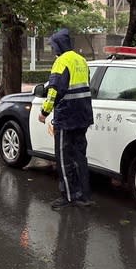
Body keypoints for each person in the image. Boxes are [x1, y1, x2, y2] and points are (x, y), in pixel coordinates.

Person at [38, 28, 94, 210]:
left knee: (63, 157)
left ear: (59, 45)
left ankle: (69, 197)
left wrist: (44, 112)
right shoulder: (82, 60)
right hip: (83, 114)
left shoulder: (61, 62)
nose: (53, 50)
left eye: (54, 46)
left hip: (67, 116)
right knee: (80, 157)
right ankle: (84, 196)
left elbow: (54, 90)